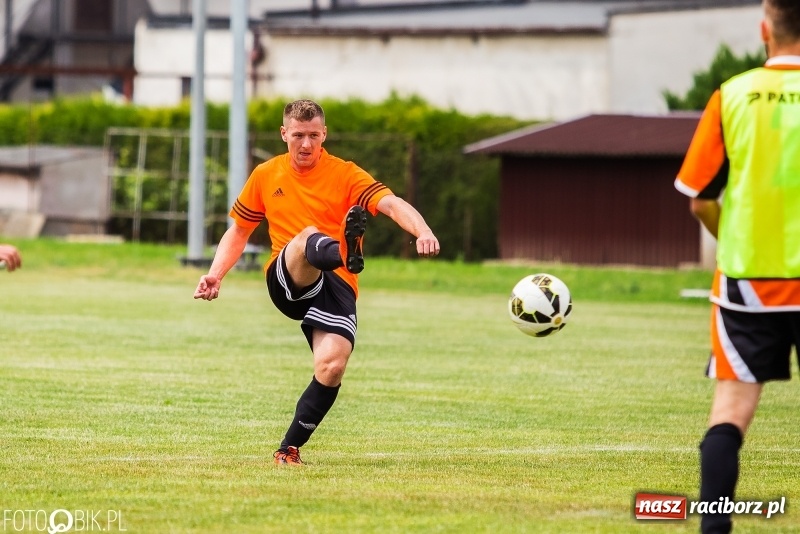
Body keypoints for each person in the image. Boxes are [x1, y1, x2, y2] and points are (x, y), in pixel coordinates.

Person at [194, 99, 440, 465]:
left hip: (337, 284)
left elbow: (391, 203)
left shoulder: (345, 173)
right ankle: (344, 251)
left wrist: (422, 230)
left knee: (332, 366)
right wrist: (216, 273)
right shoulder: (265, 174)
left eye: (313, 135)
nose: (306, 144)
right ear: (284, 134)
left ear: (324, 134)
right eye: (298, 136)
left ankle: (288, 449)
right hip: (288, 277)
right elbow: (240, 231)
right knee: (306, 238)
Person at [674, 1, 800, 531]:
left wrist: (734, 238)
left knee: (729, 413)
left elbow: (700, 198)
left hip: (747, 282)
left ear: (764, 29)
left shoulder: (733, 94)